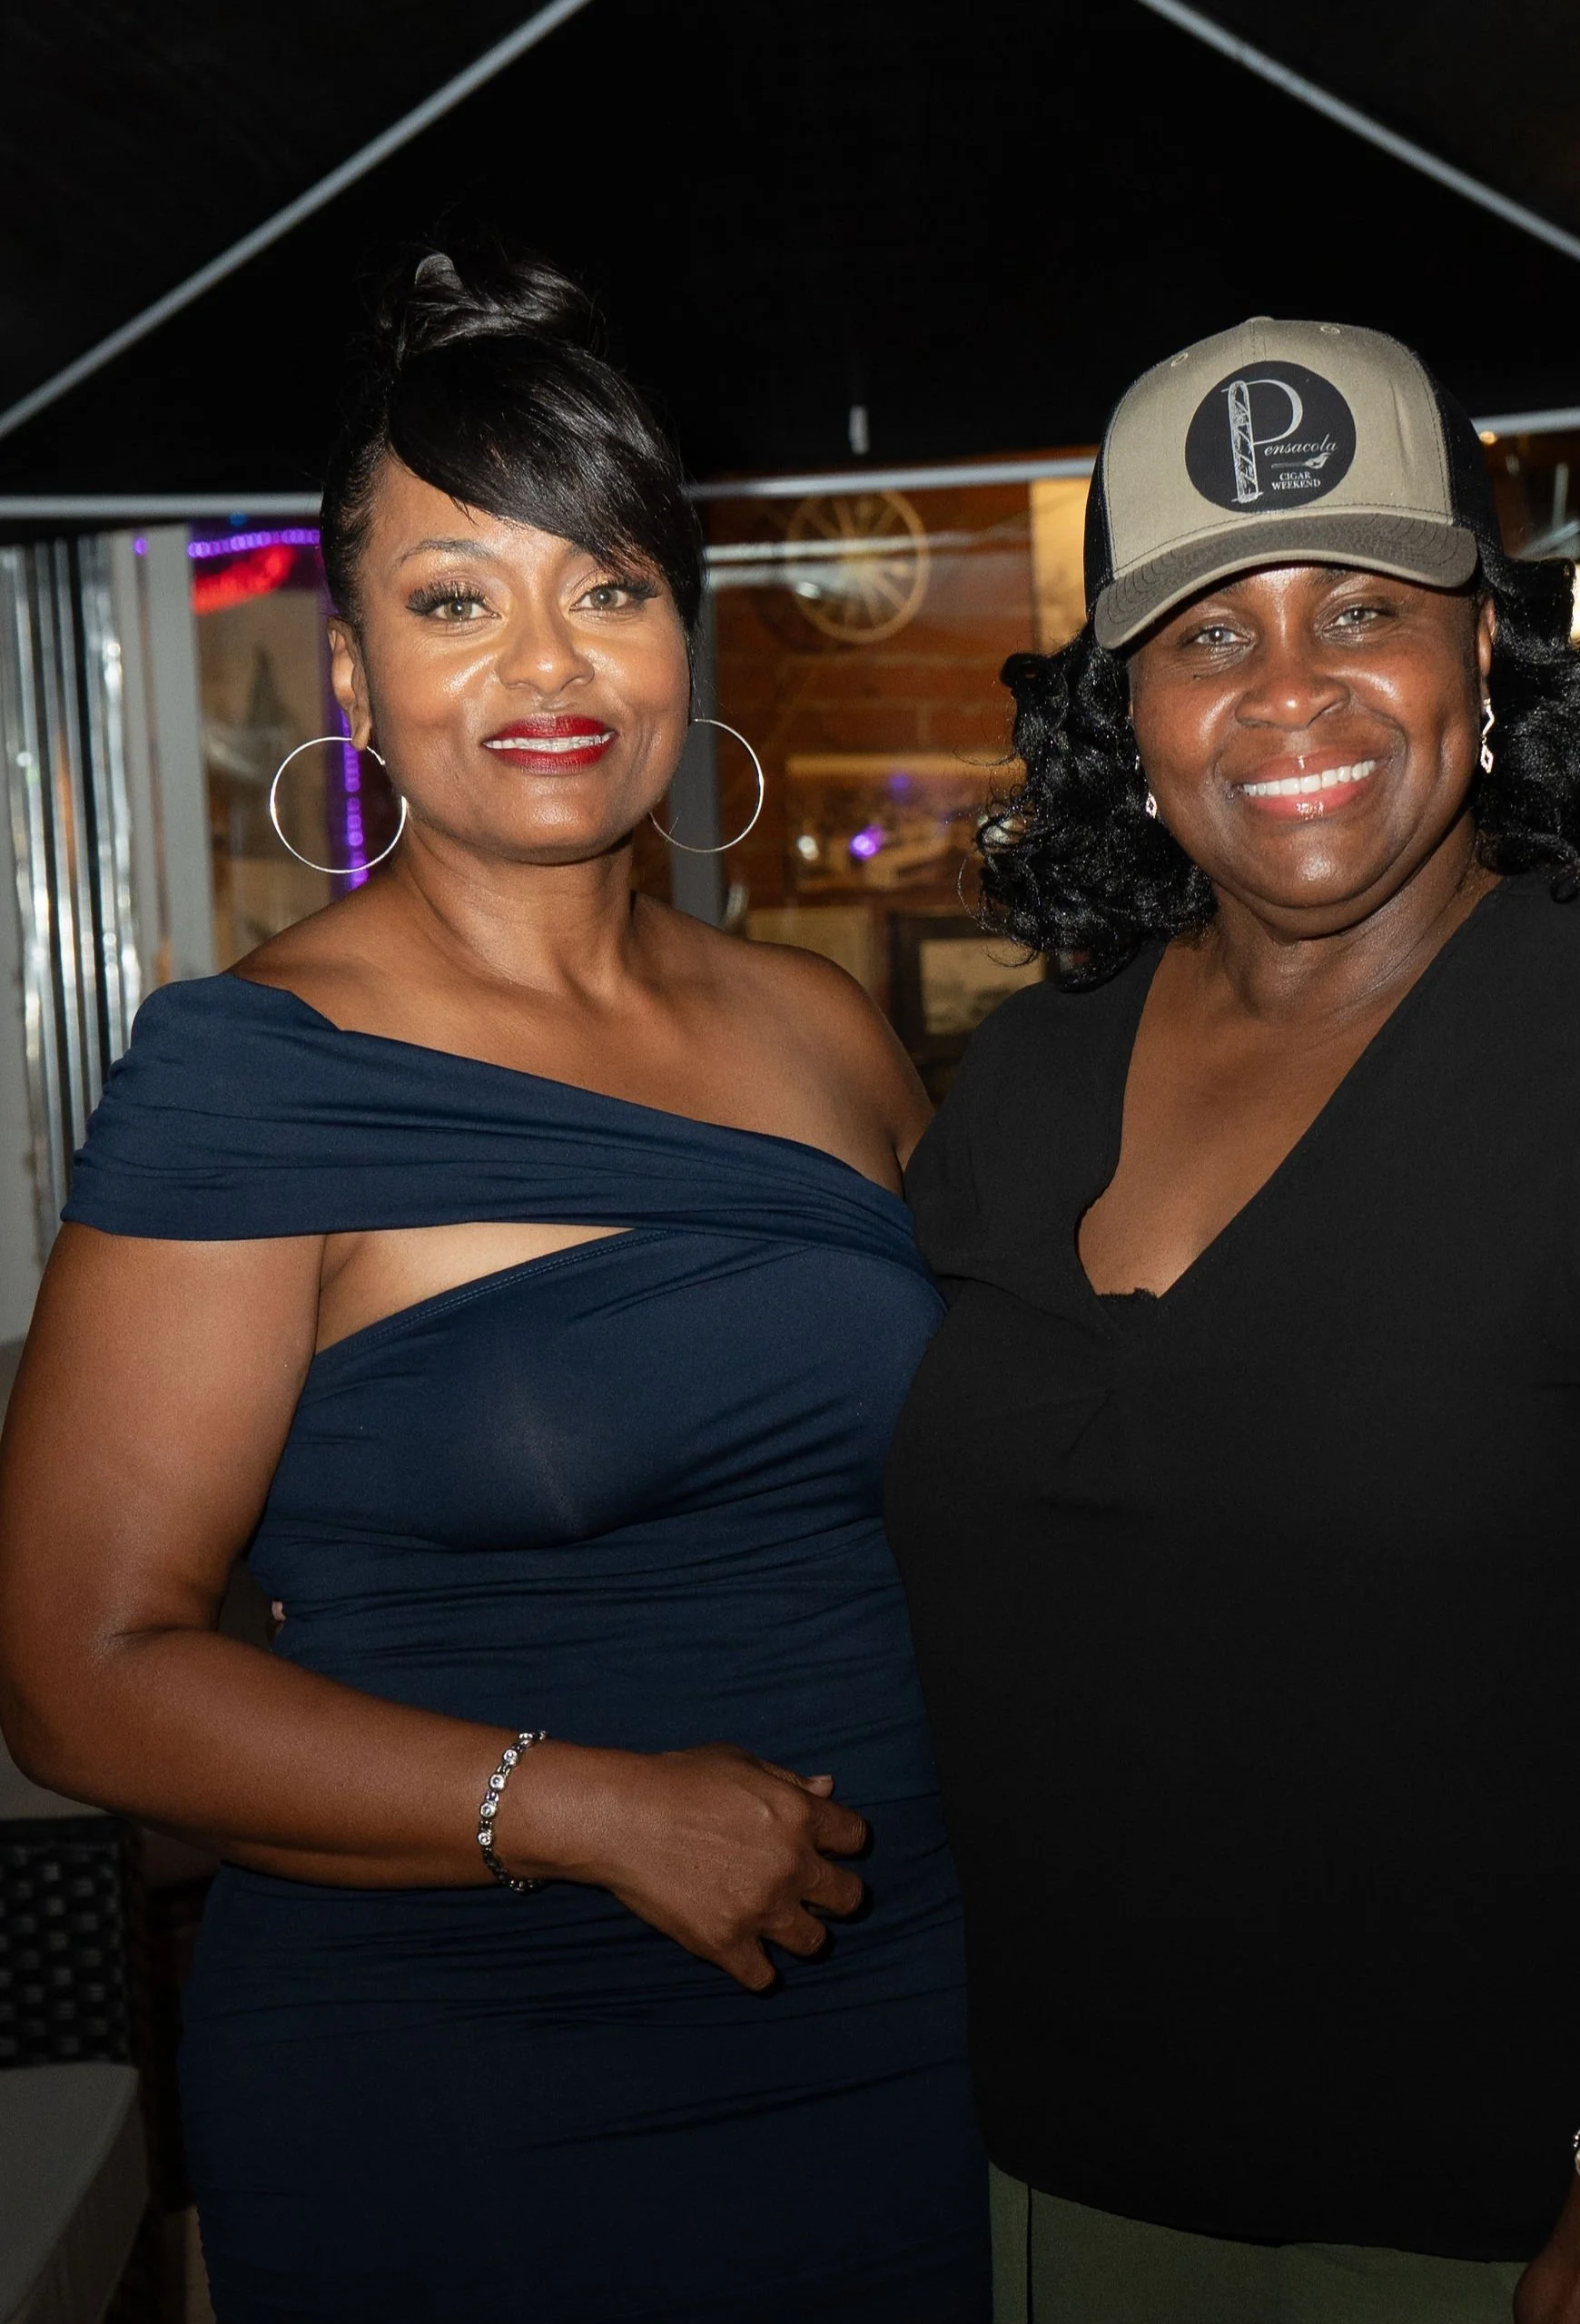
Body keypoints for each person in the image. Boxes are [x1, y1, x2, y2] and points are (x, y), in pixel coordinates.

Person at [0, 249, 988, 2324]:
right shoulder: (255, 1074)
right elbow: (80, 1673)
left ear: (680, 631)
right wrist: (590, 1807)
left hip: (905, 2020)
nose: (548, 664)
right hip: (468, 2071)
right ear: (354, 672)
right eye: (456, 600)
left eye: (606, 585)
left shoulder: (821, 1029)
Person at [884, 318, 1580, 2324]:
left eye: (1361, 608)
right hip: (1062, 2158)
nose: (1289, 688)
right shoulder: (1035, 1071)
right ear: (1128, 706)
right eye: (1207, 632)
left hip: (1503, 2213)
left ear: (1481, 647)